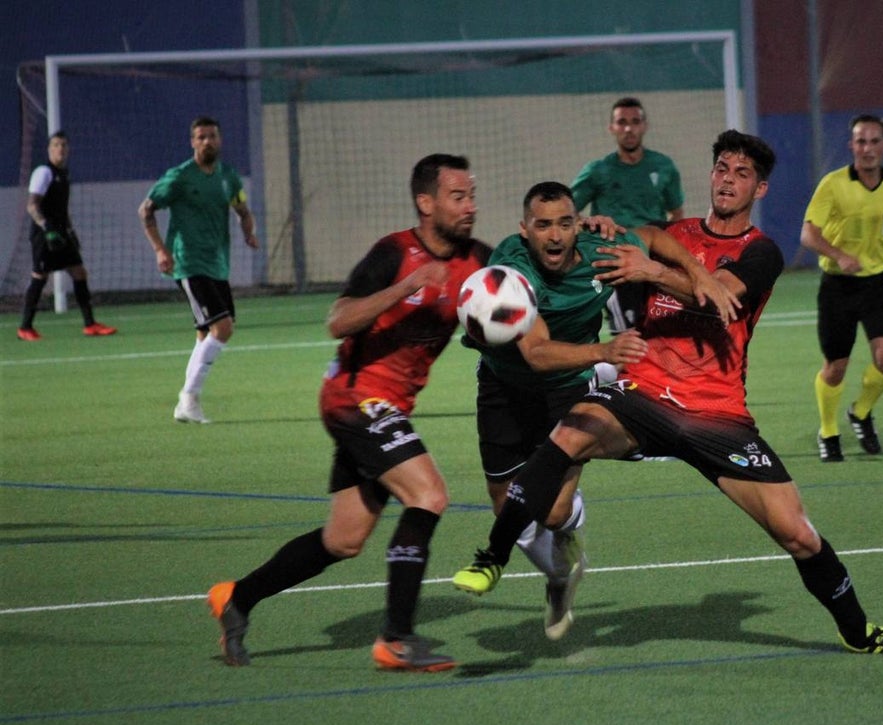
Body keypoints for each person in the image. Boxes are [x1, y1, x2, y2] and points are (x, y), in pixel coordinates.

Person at [453, 130, 883, 655]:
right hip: (643, 394)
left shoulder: (761, 252)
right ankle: (492, 556)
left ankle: (860, 632)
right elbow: (633, 238)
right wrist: (600, 228)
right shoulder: (674, 233)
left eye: (741, 174)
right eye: (722, 168)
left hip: (716, 413)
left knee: (796, 533)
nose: (728, 180)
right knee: (566, 436)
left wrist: (654, 272)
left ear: (760, 189)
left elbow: (724, 298)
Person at [205, 154, 490, 671]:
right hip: (354, 398)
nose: (470, 206)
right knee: (428, 494)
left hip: (389, 407)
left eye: (472, 195)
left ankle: (236, 597)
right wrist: (407, 287)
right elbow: (337, 321)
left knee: (344, 539)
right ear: (425, 203)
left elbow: (516, 286)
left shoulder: (480, 261)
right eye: (458, 196)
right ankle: (396, 639)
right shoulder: (393, 253)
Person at [468, 181, 735, 640]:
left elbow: (651, 236)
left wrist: (699, 273)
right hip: (505, 389)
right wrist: (605, 350)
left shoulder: (601, 249)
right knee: (506, 507)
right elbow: (537, 354)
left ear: (578, 223)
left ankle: (568, 530)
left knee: (551, 513)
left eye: (564, 223)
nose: (554, 236)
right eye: (542, 225)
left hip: (567, 391)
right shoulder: (512, 269)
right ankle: (558, 578)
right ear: (524, 230)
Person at [800, 114, 883, 462]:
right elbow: (808, 234)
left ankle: (862, 412)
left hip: (880, 283)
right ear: (852, 146)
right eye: (860, 141)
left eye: (873, 141)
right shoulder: (833, 184)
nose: (867, 149)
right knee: (835, 367)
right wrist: (839, 255)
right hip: (838, 286)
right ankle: (828, 430)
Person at [139, 116, 260, 424]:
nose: (207, 141)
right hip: (188, 263)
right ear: (192, 142)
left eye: (212, 136)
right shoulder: (179, 177)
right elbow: (147, 210)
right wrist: (159, 249)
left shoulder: (228, 177)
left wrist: (248, 231)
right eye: (201, 137)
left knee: (207, 331)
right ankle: (189, 398)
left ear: (220, 140)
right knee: (223, 328)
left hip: (217, 263)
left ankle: (187, 400)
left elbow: (243, 209)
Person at [571, 97, 685, 343]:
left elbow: (677, 214)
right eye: (622, 122)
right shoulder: (598, 170)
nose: (628, 128)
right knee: (627, 333)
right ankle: (625, 378)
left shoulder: (664, 167)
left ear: (645, 126)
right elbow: (568, 211)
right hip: (616, 259)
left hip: (654, 258)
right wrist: (590, 227)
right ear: (611, 128)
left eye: (635, 122)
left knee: (659, 331)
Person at [17, 131, 117, 341]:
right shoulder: (44, 172)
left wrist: (71, 233)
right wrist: (47, 228)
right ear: (49, 149)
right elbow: (32, 205)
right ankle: (25, 327)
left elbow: (63, 210)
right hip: (45, 235)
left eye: (63, 145)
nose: (60, 149)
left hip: (62, 234)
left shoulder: (64, 174)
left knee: (79, 273)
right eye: (55, 145)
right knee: (39, 277)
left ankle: (90, 324)